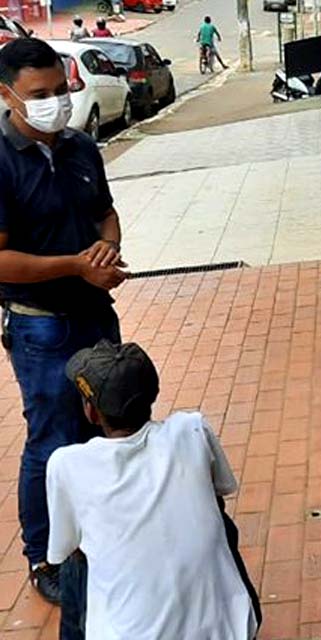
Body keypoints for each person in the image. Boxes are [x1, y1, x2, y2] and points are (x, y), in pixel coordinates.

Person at [0, 37, 127, 605]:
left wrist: (106, 250)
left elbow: (105, 213)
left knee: (108, 427)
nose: (55, 102)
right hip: (40, 328)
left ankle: (103, 535)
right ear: (8, 95)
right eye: (40, 95)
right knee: (52, 440)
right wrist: (76, 265)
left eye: (60, 89)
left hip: (96, 314)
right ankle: (44, 555)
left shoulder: (79, 146)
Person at [48, 340, 261, 639]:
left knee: (75, 562)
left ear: (92, 413)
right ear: (153, 395)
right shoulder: (192, 429)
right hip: (232, 628)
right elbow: (220, 492)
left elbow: (62, 550)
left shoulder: (66, 464)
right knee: (216, 514)